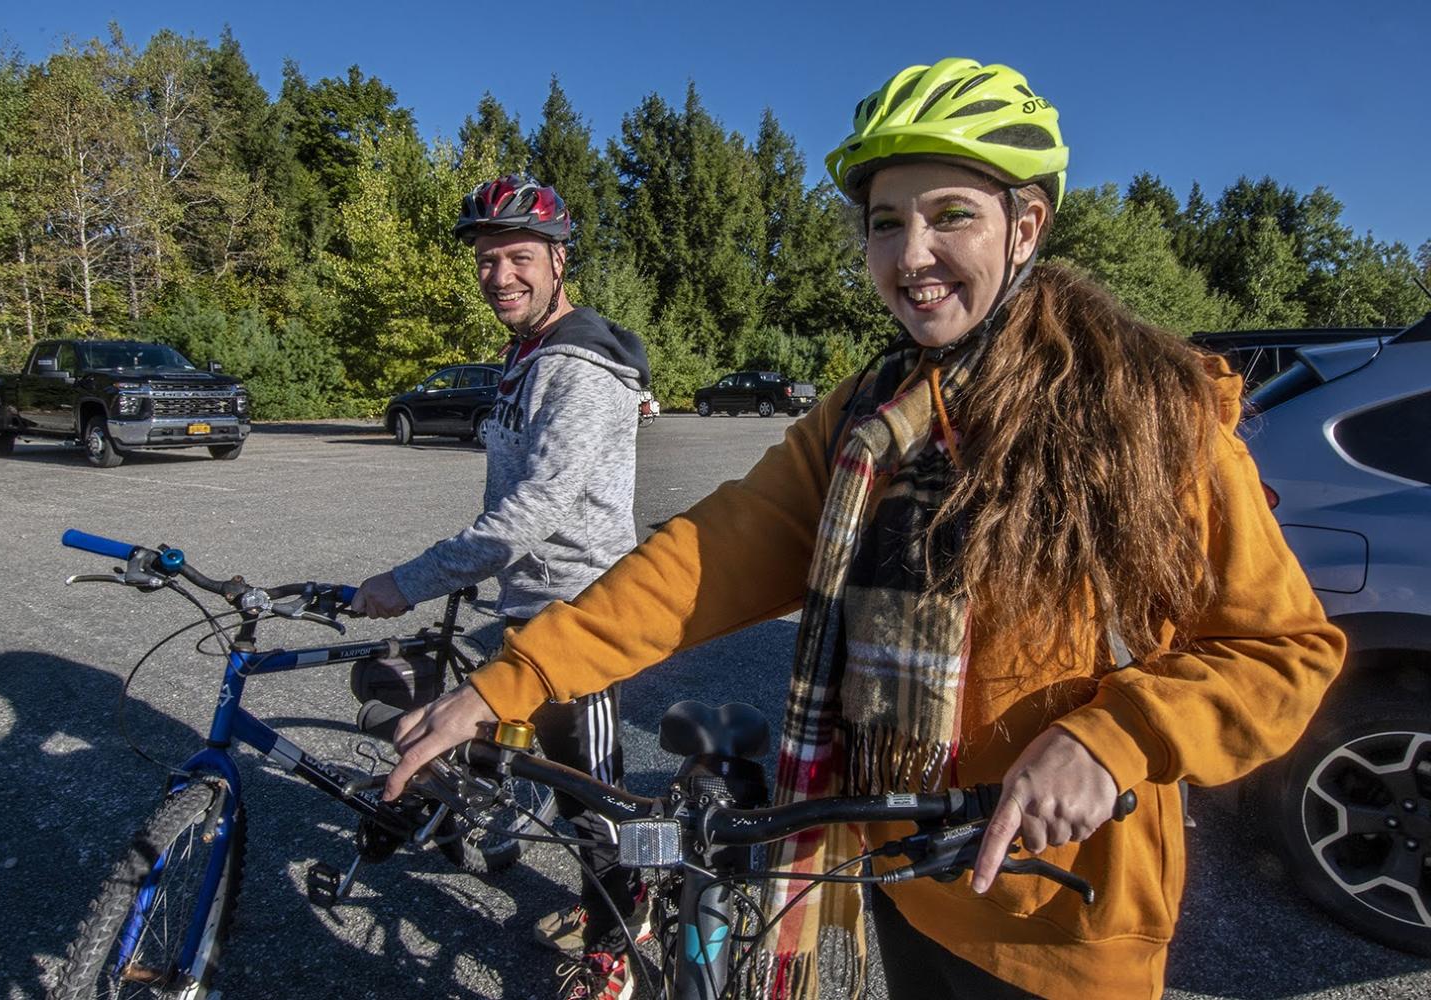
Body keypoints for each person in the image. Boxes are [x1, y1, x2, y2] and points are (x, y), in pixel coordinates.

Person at [383, 61, 1345, 999]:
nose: (910, 253)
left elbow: (1283, 651)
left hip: (1064, 918)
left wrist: (1115, 740)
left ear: (1027, 225)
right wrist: (508, 681)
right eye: (887, 223)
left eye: (950, 215)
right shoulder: (870, 415)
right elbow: (706, 557)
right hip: (902, 876)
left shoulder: (1144, 418)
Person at [350, 174, 653, 999]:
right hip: (527, 601)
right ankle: (495, 840)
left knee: (590, 795)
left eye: (518, 256)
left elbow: (538, 507)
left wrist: (408, 581)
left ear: (559, 262)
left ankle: (617, 943)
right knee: (490, 742)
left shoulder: (575, 365)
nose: (499, 276)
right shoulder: (532, 357)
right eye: (487, 260)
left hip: (580, 613)